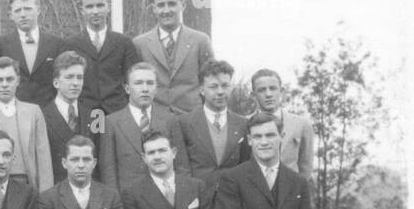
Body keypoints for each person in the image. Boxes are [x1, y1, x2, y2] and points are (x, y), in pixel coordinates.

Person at [99, 62, 187, 194]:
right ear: (127, 88)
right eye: (138, 83)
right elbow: (108, 172)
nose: (145, 89)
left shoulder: (170, 120)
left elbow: (182, 165)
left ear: (156, 88)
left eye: (150, 83)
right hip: (128, 200)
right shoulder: (111, 122)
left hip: (165, 198)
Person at [0, 56, 53, 189]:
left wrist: (45, 197)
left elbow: (44, 160)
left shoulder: (33, 112)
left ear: (17, 80)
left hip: (27, 185)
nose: (4, 84)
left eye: (9, 79)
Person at [132, 0, 213, 116]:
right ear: (153, 9)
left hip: (192, 118)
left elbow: (210, 81)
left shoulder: (200, 41)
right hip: (154, 119)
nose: (166, 10)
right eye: (161, 5)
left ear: (183, 5)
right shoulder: (140, 44)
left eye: (172, 4)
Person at [63, 0, 138, 119]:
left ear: (108, 7)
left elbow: (133, 80)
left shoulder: (124, 43)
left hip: (118, 113)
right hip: (85, 114)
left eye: (100, 5)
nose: (95, 11)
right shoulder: (71, 44)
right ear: (82, 10)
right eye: (89, 6)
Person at [177, 58, 249, 190]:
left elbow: (246, 166)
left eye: (225, 85)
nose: (220, 92)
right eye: (213, 86)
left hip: (232, 198)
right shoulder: (184, 123)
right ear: (202, 90)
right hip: (199, 198)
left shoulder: (243, 124)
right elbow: (182, 168)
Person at [0, 0, 65, 108]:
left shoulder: (57, 44)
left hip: (48, 114)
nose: (23, 14)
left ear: (38, 10)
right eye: (18, 10)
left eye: (28, 9)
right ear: (10, 15)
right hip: (12, 115)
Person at [249, 68, 315, 180]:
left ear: (282, 91)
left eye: (273, 88)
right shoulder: (244, 123)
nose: (268, 94)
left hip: (290, 193)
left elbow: (306, 166)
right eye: (261, 90)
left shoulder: (301, 124)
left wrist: (297, 192)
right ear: (253, 95)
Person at [42, 51, 94, 184]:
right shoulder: (41, 116)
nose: (75, 83)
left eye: (79, 77)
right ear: (56, 83)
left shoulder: (95, 115)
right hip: (57, 191)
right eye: (69, 77)